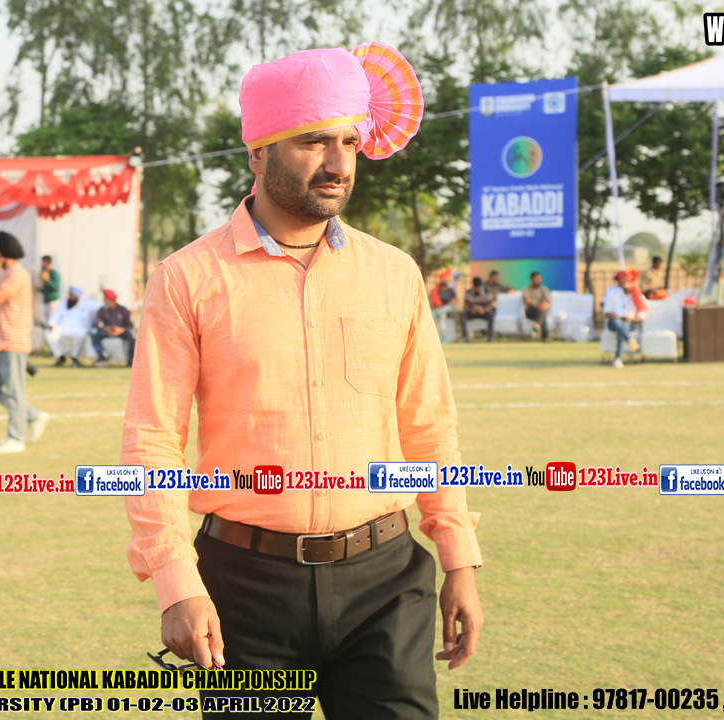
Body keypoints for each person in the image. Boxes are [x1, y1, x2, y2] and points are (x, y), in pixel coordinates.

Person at [122, 44, 482, 720]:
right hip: (242, 590)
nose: (339, 163)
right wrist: (176, 582)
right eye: (314, 141)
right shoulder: (187, 279)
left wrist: (458, 555)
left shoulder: (393, 273)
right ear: (257, 153)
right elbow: (152, 441)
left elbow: (429, 426)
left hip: (386, 582)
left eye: (350, 141)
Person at [0, 231, 49, 455]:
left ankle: (16, 438)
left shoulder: (17, 275)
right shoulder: (3, 273)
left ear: (3, 253)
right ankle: (33, 415)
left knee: (14, 393)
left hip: (13, 341)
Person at [45, 285, 95, 368]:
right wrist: (51, 324)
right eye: (69, 294)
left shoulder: (86, 304)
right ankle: (61, 357)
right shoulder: (63, 304)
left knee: (81, 334)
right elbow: (54, 316)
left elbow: (101, 307)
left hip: (79, 329)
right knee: (48, 333)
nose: (70, 297)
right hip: (62, 328)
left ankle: (74, 356)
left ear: (77, 296)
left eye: (72, 295)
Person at [603, 270, 644, 368]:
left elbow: (642, 315)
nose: (625, 283)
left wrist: (631, 319)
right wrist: (613, 315)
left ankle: (618, 359)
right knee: (618, 322)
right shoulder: (613, 293)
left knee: (621, 328)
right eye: (623, 281)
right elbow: (606, 312)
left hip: (629, 322)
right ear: (619, 282)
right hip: (613, 322)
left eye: (628, 281)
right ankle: (629, 339)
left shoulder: (637, 295)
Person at [90, 288, 135, 366]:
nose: (104, 301)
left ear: (110, 300)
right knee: (93, 332)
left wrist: (121, 330)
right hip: (107, 332)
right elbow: (96, 324)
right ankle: (103, 354)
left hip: (121, 332)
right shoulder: (102, 310)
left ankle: (130, 360)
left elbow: (130, 325)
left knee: (131, 335)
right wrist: (105, 328)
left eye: (105, 299)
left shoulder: (123, 309)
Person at [459, 276, 495, 342]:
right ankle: (465, 337)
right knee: (462, 315)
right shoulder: (468, 293)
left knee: (491, 314)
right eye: (476, 288)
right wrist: (471, 310)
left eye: (479, 287)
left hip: (483, 312)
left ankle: (490, 337)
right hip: (472, 312)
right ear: (473, 286)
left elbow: (490, 306)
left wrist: (484, 310)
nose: (478, 289)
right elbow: (466, 306)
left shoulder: (487, 292)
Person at [429, 270, 459, 343]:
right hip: (440, 310)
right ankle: (444, 337)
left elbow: (453, 303)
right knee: (442, 314)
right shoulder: (435, 291)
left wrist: (439, 309)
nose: (445, 281)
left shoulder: (450, 290)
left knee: (446, 308)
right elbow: (432, 303)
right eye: (444, 279)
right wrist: (437, 307)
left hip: (449, 308)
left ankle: (436, 312)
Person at [522, 271, 551, 341]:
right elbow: (528, 301)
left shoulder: (544, 289)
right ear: (531, 279)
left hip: (541, 309)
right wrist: (537, 305)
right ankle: (545, 336)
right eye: (536, 279)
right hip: (530, 311)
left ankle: (537, 326)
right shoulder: (526, 289)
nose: (538, 280)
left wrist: (543, 305)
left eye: (539, 279)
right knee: (542, 313)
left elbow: (548, 300)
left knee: (543, 311)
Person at [35, 255, 61, 329]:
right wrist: (40, 289)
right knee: (46, 323)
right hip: (47, 302)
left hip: (53, 302)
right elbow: (47, 290)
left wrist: (47, 280)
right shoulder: (47, 273)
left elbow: (56, 287)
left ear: (45, 262)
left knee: (52, 324)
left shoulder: (54, 273)